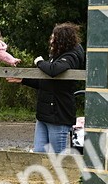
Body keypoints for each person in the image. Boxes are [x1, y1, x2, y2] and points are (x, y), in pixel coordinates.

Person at [25, 22, 85, 153]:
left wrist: (39, 62)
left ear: (62, 40)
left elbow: (53, 70)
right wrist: (23, 79)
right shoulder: (57, 56)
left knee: (58, 158)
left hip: (59, 116)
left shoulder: (70, 57)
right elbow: (47, 83)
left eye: (54, 38)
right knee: (38, 154)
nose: (51, 41)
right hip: (44, 115)